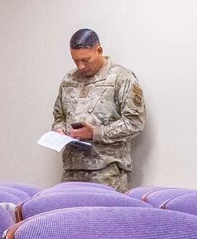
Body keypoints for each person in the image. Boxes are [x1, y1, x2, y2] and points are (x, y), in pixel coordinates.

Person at [52, 29, 145, 191]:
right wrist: (59, 130)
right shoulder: (69, 80)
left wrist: (96, 133)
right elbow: (59, 115)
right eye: (76, 61)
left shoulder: (121, 78)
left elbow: (135, 122)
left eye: (85, 60)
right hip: (71, 170)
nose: (81, 66)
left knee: (104, 216)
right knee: (69, 215)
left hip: (106, 171)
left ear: (99, 50)